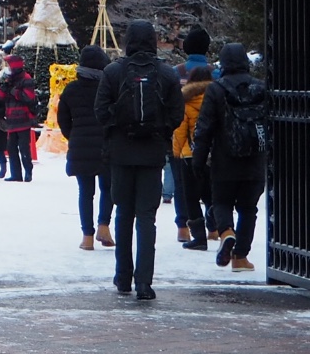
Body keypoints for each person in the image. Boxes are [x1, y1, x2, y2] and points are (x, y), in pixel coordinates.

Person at [95, 20, 183, 301]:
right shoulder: (166, 74)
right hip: (152, 154)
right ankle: (144, 282)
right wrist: (159, 130)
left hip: (121, 153)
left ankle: (123, 277)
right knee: (147, 219)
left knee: (123, 214)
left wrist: (119, 127)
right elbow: (176, 115)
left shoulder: (113, 71)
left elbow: (101, 112)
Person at [192, 42, 266, 273]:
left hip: (225, 158)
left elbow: (204, 128)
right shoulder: (261, 88)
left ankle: (226, 232)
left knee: (221, 201)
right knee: (248, 208)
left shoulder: (216, 89)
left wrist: (198, 159)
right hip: (255, 158)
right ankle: (241, 257)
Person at [57, 45, 114, 250]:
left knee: (85, 192)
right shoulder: (109, 89)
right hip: (106, 146)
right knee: (108, 189)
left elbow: (63, 120)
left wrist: (74, 136)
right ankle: (104, 226)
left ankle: (87, 237)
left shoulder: (71, 90)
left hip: (80, 146)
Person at [171, 65, 214, 250]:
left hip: (190, 154)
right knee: (211, 194)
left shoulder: (187, 101)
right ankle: (216, 224)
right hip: (214, 155)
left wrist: (176, 152)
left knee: (191, 197)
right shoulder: (217, 99)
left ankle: (199, 237)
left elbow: (180, 131)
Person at [0, 55, 39, 181]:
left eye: (10, 65)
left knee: (24, 148)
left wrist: (14, 92)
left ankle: (28, 172)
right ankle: (16, 174)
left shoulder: (26, 79)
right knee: (11, 148)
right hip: (11, 119)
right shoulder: (9, 80)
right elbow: (0, 96)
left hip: (23, 119)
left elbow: (28, 98)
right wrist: (4, 87)